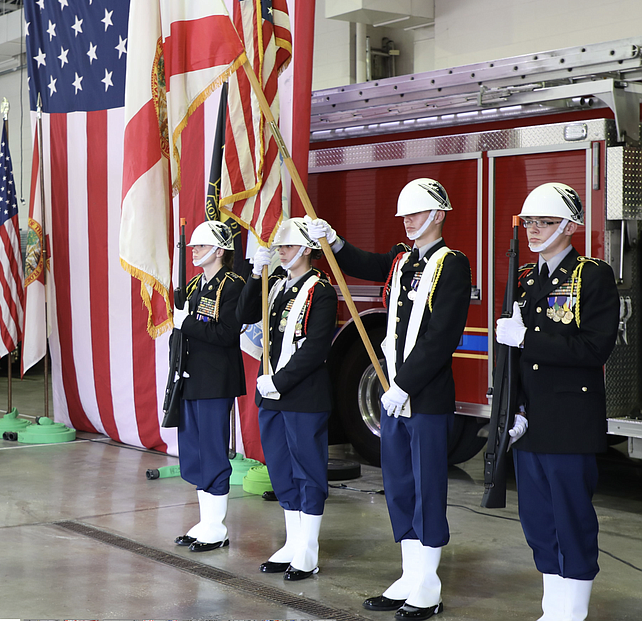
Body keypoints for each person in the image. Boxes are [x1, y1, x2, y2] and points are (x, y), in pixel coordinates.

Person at [308, 178, 471, 621]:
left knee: (426, 488)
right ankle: (408, 574)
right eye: (405, 215)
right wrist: (334, 241)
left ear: (438, 214)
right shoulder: (403, 261)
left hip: (425, 398)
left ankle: (429, 585)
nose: (409, 221)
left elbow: (441, 338)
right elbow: (367, 262)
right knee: (399, 487)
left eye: (417, 213)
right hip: (395, 396)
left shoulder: (452, 265)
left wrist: (405, 386)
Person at [494, 183, 617, 621]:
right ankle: (553, 608)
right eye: (529, 222)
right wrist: (514, 410)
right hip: (532, 422)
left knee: (572, 519)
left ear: (569, 226)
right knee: (538, 521)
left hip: (570, 420)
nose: (534, 230)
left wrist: (529, 337)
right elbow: (515, 362)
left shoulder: (592, 275)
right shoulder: (526, 277)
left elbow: (593, 349)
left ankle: (575, 610)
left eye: (545, 222)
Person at [238, 218, 337, 582]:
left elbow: (314, 348)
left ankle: (309, 548)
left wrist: (280, 381)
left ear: (307, 249)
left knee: (307, 471)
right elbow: (244, 316)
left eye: (288, 247)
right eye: (279, 247)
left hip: (302, 395)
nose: (282, 252)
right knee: (281, 470)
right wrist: (255, 273)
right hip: (273, 395)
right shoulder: (275, 285)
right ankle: (293, 541)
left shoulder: (320, 291)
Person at [172, 220, 246, 553]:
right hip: (190, 378)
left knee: (213, 451)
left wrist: (185, 322)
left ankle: (216, 526)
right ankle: (205, 521)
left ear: (219, 250)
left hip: (216, 380)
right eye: (193, 248)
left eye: (200, 247)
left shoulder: (232, 286)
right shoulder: (193, 287)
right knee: (194, 453)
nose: (194, 253)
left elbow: (226, 335)